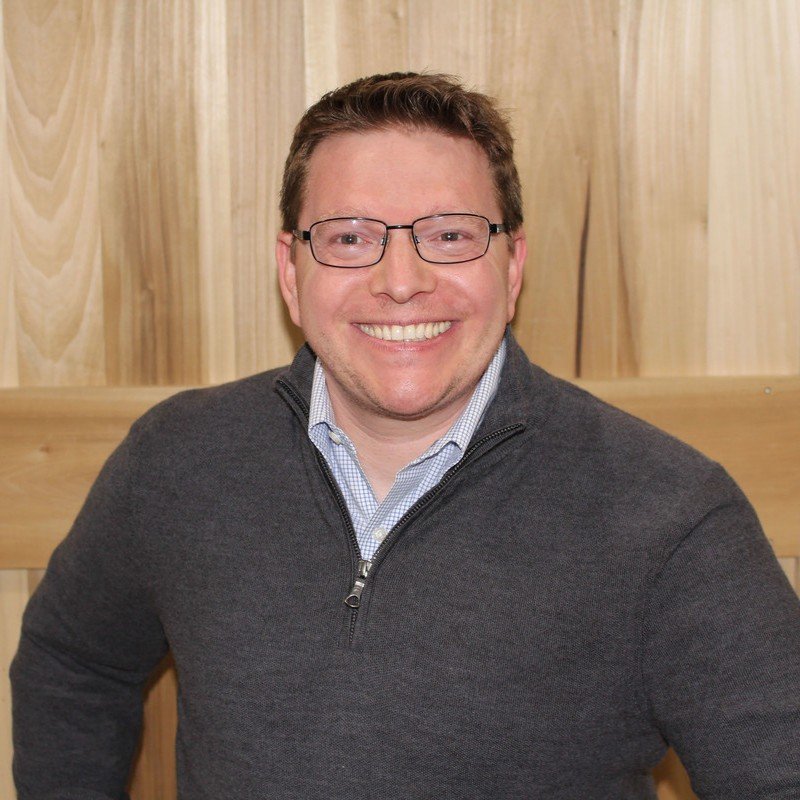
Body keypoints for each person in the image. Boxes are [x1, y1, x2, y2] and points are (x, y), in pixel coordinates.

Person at [11, 72, 800, 800]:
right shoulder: (178, 461)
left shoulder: (670, 516)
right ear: (291, 272)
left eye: (450, 235)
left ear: (513, 264)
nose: (400, 279)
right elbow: (73, 663)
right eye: (350, 237)